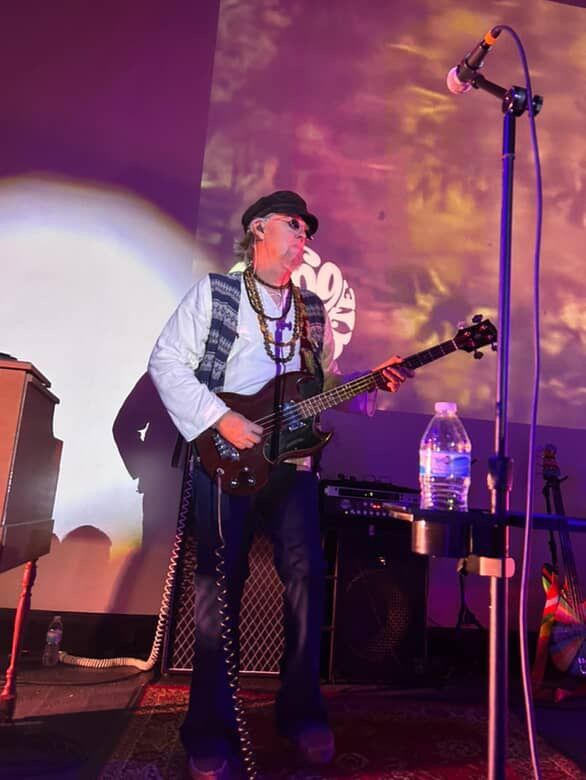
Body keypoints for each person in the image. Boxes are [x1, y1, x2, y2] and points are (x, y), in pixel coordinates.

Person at [148, 190, 413, 780]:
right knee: (219, 585)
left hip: (291, 465)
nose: (303, 236)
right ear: (258, 229)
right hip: (225, 456)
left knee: (307, 577)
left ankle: (302, 714)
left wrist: (369, 387)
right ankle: (209, 728)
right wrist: (221, 418)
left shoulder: (312, 309)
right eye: (294, 224)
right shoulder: (215, 294)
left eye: (307, 230)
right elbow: (165, 362)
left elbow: (321, 387)